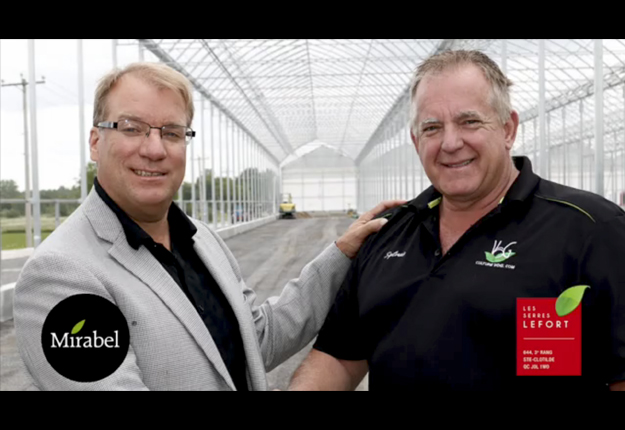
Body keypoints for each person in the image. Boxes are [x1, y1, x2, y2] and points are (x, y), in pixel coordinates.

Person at [13, 62, 403, 391]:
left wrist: (341, 254)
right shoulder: (61, 274)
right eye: (131, 127)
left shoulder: (200, 240)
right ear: (96, 142)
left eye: (171, 132)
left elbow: (258, 341)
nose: (154, 149)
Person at [288, 50, 625, 391]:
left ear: (508, 129)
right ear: (416, 141)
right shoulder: (386, 231)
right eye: (432, 128)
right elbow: (338, 358)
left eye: (470, 122)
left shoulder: (590, 229)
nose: (450, 143)